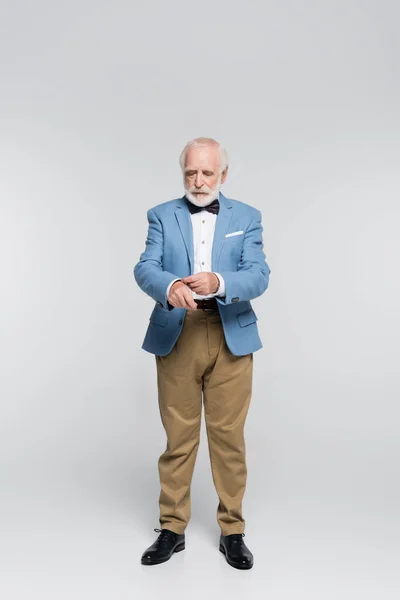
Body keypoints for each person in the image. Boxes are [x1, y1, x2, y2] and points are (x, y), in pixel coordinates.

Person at [133, 137, 271, 569]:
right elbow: (146, 267)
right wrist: (170, 286)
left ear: (223, 175)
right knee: (179, 438)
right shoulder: (161, 214)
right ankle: (172, 528)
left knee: (228, 439)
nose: (198, 181)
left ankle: (233, 531)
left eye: (207, 173)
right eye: (191, 172)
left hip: (232, 331)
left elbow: (259, 275)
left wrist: (220, 283)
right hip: (179, 331)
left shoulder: (247, 216)